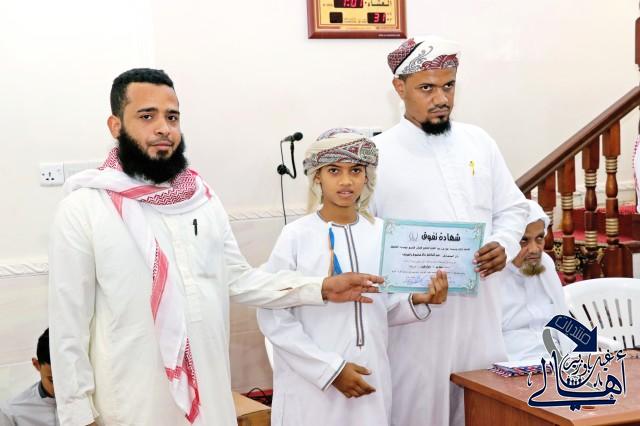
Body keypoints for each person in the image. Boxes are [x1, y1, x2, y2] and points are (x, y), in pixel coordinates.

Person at [47, 69, 382, 426]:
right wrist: (79, 417)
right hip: (133, 404)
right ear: (116, 126)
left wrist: (320, 288)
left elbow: (238, 279)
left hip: (209, 396)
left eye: (172, 117)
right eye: (147, 116)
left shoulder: (201, 199)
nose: (163, 128)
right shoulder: (84, 208)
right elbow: (69, 324)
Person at [371, 36, 529, 426]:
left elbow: (513, 207)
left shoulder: (479, 142)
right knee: (419, 412)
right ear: (399, 88)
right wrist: (408, 298)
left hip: (481, 316)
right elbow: (364, 241)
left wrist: (504, 244)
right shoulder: (377, 156)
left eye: (449, 86)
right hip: (417, 322)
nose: (441, 98)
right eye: (427, 88)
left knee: (484, 409)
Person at [257, 129, 448, 425]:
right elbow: (273, 315)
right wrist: (330, 370)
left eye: (356, 170)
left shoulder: (383, 233)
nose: (346, 181)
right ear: (317, 177)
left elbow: (381, 308)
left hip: (369, 374)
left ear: (367, 176)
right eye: (334, 170)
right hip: (312, 385)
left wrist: (419, 299)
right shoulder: (295, 236)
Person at [501, 200, 573, 361]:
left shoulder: (545, 263)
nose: (534, 249)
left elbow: (563, 317)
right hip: (511, 363)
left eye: (539, 238)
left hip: (556, 360)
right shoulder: (493, 276)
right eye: (524, 240)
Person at [0, 329, 58, 426]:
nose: (59, 387)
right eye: (52, 380)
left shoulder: (84, 400)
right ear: (36, 365)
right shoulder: (12, 412)